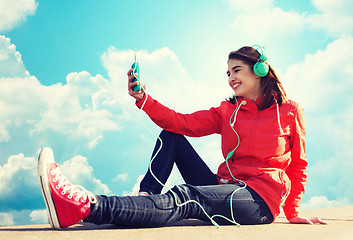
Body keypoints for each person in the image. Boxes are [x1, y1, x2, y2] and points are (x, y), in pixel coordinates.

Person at [37, 46, 327, 230]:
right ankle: (145, 200)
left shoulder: (289, 112)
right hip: (224, 186)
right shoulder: (227, 111)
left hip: (257, 200)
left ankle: (86, 207)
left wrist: (293, 211)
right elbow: (181, 122)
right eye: (227, 73)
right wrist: (143, 98)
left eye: (236, 70)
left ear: (260, 70)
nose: (230, 78)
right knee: (172, 135)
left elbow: (299, 164)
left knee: (188, 196)